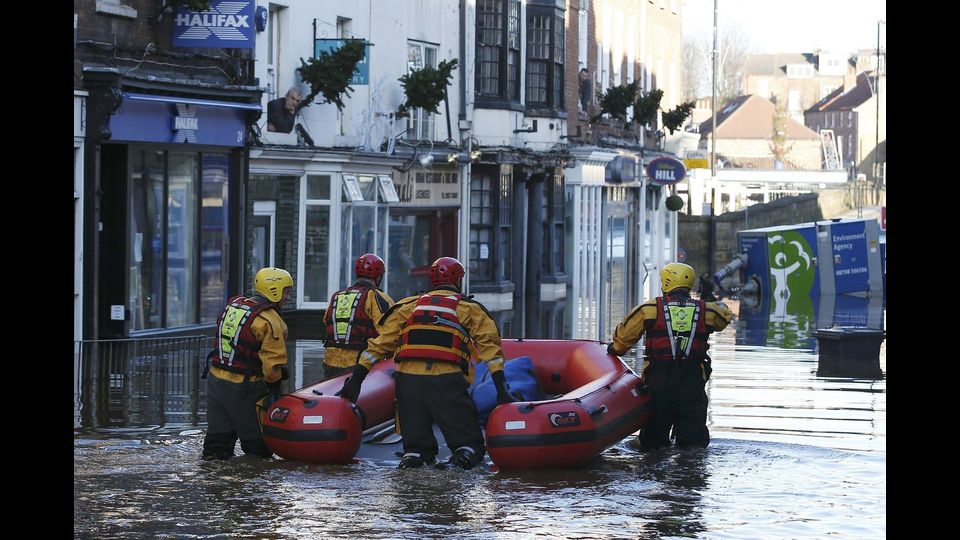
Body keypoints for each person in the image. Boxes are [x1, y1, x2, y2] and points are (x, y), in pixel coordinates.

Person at [336, 256, 514, 470]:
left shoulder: (408, 306)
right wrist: (501, 389)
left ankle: (415, 456)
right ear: (458, 281)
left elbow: (378, 346)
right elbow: (490, 350)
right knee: (470, 446)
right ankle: (461, 458)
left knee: (416, 449)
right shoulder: (469, 309)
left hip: (407, 383)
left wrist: (356, 380)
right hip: (445, 381)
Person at [607, 262, 733, 451]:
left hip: (659, 384)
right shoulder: (707, 311)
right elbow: (724, 315)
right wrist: (709, 297)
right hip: (692, 385)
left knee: (653, 444)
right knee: (693, 446)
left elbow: (621, 343)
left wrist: (613, 349)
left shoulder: (648, 310)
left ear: (666, 283)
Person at [201, 267, 294, 460]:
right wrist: (275, 391)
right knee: (259, 450)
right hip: (244, 389)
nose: (288, 297)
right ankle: (253, 487)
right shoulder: (270, 320)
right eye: (286, 291)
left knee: (216, 448)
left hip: (215, 381)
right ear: (274, 289)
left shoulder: (233, 305)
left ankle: (213, 485)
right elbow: (272, 368)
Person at [321, 253, 395, 379]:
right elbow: (391, 331)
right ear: (379, 277)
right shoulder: (377, 297)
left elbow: (326, 323)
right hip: (359, 367)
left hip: (330, 366)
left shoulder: (337, 296)